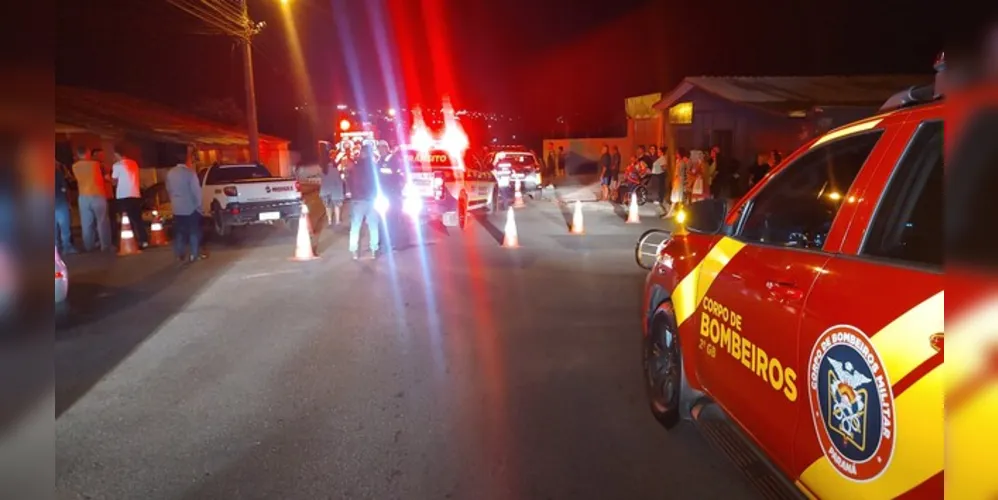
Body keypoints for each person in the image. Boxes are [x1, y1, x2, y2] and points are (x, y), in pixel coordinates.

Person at [71, 146, 113, 252]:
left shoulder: (74, 166)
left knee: (86, 223)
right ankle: (105, 245)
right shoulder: (96, 165)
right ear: (87, 153)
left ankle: (89, 246)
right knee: (102, 221)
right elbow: (107, 178)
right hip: (97, 194)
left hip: (83, 197)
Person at [165, 156, 205, 263]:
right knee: (193, 232)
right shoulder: (190, 173)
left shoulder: (170, 173)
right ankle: (194, 254)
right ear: (186, 161)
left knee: (179, 232)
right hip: (190, 207)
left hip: (177, 207)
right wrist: (200, 206)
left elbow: (168, 189)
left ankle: (179, 254)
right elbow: (196, 191)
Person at [348, 144, 381, 260]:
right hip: (371, 200)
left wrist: (352, 194)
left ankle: (354, 252)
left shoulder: (355, 168)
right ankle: (373, 250)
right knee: (373, 226)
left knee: (355, 226)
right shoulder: (375, 168)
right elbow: (379, 184)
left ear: (362, 153)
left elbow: (350, 182)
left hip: (358, 200)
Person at [111, 150, 148, 248]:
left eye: (114, 155)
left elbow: (114, 182)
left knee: (127, 220)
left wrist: (107, 178)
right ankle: (143, 240)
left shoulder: (117, 165)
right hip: (135, 194)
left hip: (123, 196)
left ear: (117, 154)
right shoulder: (133, 163)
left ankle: (132, 242)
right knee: (138, 219)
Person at [55, 160, 76, 254]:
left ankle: (56, 248)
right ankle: (66, 247)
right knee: (64, 227)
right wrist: (68, 201)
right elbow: (64, 188)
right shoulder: (57, 173)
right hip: (60, 202)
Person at [320, 156, 346, 226]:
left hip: (325, 192)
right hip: (335, 192)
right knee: (336, 206)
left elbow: (321, 181)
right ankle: (337, 221)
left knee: (328, 207)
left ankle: (329, 221)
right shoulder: (335, 170)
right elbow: (339, 182)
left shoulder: (323, 170)